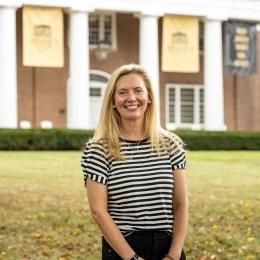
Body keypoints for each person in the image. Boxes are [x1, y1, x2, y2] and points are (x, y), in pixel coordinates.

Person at [81, 64, 188, 260]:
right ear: (113, 101)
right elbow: (98, 212)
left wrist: (173, 255)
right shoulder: (99, 149)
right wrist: (132, 258)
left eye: (138, 90)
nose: (131, 98)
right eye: (122, 92)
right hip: (123, 248)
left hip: (168, 246)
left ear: (149, 97)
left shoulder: (171, 144)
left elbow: (180, 204)